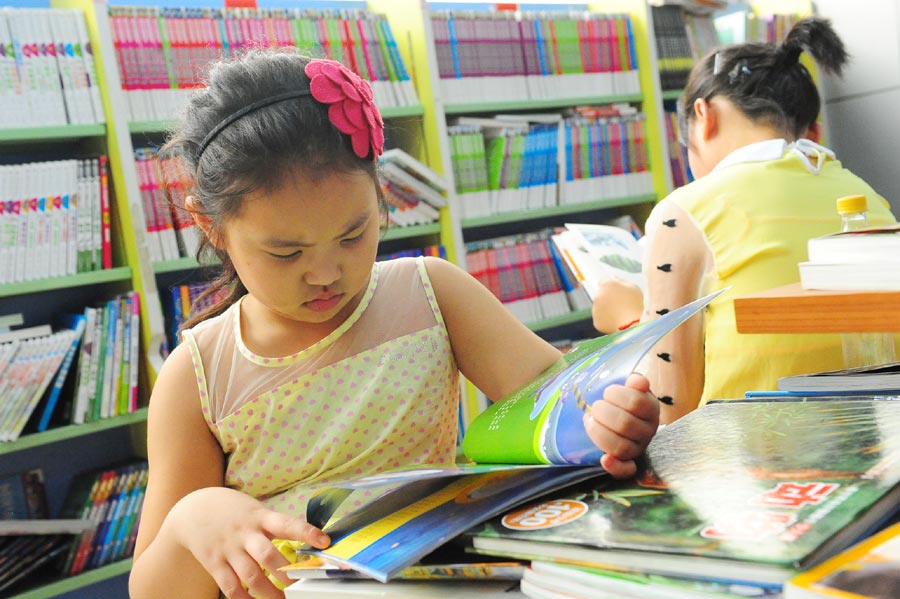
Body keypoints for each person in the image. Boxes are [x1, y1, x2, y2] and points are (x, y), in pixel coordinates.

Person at [128, 51, 661, 599]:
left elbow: (561, 407)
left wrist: (610, 420)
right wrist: (191, 520)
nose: (326, 273)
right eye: (286, 253)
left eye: (354, 234)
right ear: (208, 225)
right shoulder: (197, 376)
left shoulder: (430, 293)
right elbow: (151, 591)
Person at [592, 18, 896, 424]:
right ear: (814, 131)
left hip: (751, 458)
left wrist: (627, 322)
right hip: (880, 441)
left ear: (704, 116)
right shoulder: (868, 197)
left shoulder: (684, 212)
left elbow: (670, 412)